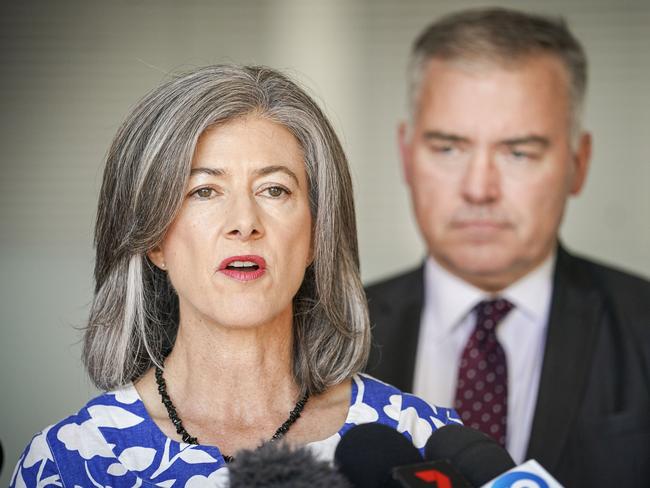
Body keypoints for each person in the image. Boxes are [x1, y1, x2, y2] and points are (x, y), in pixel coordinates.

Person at [11, 65, 460, 487]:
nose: (244, 222)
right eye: (204, 191)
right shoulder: (70, 460)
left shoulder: (423, 442)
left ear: (316, 234)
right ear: (156, 240)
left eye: (274, 190)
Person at [365, 7, 650, 487]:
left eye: (518, 152)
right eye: (449, 148)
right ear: (406, 155)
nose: (479, 189)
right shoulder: (323, 333)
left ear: (579, 163)